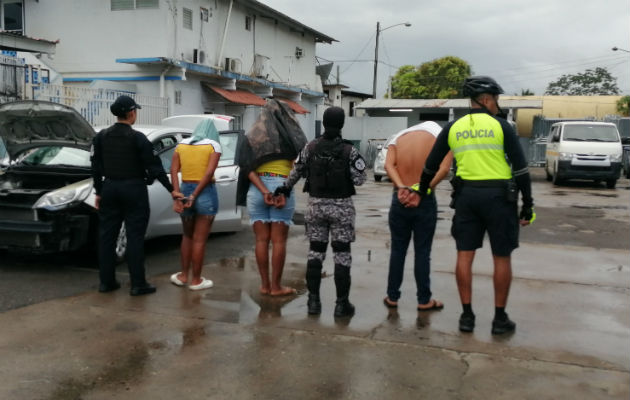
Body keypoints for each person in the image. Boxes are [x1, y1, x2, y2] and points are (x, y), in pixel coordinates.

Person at [417, 76, 534, 335]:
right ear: (485, 99)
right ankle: (499, 319)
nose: (497, 103)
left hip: (467, 197)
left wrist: (423, 190)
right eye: (495, 99)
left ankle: (466, 317)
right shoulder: (502, 127)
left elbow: (431, 164)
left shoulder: (453, 127)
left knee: (464, 255)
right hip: (499, 198)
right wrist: (528, 205)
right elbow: (521, 168)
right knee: (501, 257)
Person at [275, 106, 367, 318]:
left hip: (316, 206)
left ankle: (313, 302)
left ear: (324, 123)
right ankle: (341, 305)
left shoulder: (311, 147)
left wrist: (285, 188)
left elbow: (296, 171)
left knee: (315, 252)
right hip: (341, 208)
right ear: (342, 124)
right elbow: (360, 180)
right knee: (342, 255)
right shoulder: (349, 151)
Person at [91, 95, 181, 296]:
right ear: (131, 113)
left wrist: (99, 191)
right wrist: (172, 190)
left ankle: (106, 282)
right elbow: (155, 167)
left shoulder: (101, 137)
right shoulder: (138, 138)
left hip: (110, 187)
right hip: (134, 188)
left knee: (106, 237)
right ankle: (138, 284)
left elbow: (96, 167)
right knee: (135, 236)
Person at [236, 99, 308, 298]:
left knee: (260, 240)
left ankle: (264, 285)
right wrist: (281, 190)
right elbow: (299, 166)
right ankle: (276, 287)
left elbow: (246, 168)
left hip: (256, 189)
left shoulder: (252, 136)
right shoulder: (291, 136)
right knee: (278, 242)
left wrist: (263, 190)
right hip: (282, 186)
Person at [382, 121, 453, 312]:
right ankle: (424, 300)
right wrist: (422, 190)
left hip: (400, 198)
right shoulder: (441, 138)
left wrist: (401, 187)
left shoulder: (399, 137)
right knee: (422, 252)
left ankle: (392, 296)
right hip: (425, 200)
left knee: (398, 250)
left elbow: (388, 165)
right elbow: (444, 169)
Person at [169, 119, 221, 291]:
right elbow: (209, 173)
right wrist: (195, 195)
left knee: (187, 236)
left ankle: (183, 276)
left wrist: (178, 195)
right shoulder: (213, 145)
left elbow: (173, 170)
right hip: (205, 191)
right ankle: (196, 280)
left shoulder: (181, 145)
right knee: (200, 240)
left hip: (184, 188)